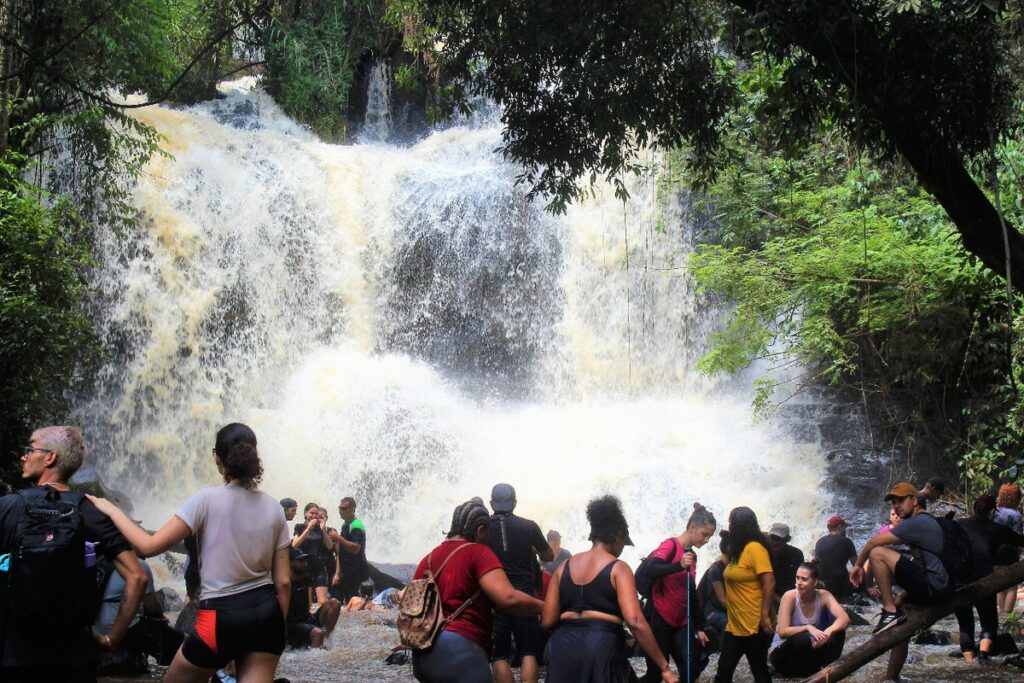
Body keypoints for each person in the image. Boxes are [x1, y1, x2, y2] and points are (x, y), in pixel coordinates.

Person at [89, 422, 292, 683]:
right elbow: (284, 582)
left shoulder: (205, 500)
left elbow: (147, 547)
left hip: (220, 615)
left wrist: (110, 508)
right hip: (267, 615)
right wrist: (278, 627)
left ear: (217, 458)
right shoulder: (274, 507)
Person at [0, 426, 147, 682]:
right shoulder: (88, 512)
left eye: (30, 448)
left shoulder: (9, 506)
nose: (24, 456)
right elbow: (137, 577)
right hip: (76, 657)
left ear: (50, 457)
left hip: (13, 654)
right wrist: (112, 638)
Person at [542, 495, 678, 683]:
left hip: (561, 650)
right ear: (618, 536)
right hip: (601, 649)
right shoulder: (618, 568)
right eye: (623, 543)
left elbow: (547, 620)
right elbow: (636, 621)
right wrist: (664, 666)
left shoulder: (562, 567)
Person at [411, 499, 544, 683]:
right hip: (460, 651)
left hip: (422, 654)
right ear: (480, 530)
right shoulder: (478, 552)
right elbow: (508, 599)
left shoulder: (429, 558)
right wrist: (546, 607)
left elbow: (411, 604)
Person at [850, 482, 948, 683]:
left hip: (933, 584)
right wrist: (904, 593)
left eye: (901, 501)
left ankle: (889, 611)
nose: (896, 506)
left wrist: (858, 566)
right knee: (901, 614)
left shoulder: (916, 522)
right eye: (894, 503)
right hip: (935, 582)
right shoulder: (923, 520)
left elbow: (872, 543)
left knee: (878, 553)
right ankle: (891, 678)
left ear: (914, 500)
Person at [486, 483, 554, 683]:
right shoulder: (529, 526)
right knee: (528, 652)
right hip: (525, 599)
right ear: (515, 503)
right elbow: (548, 556)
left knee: (499, 655)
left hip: (495, 598)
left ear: (491, 503)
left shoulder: (483, 529)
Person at [641, 503, 717, 682]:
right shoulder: (670, 545)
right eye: (705, 534)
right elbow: (650, 569)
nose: (706, 540)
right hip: (660, 618)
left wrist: (699, 627)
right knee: (656, 672)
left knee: (691, 667)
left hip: (682, 621)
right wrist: (678, 565)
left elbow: (690, 591)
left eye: (710, 536)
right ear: (692, 527)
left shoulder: (692, 555)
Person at [955, 494, 1024, 663]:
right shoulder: (996, 529)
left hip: (959, 579)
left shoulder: (959, 524)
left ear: (973, 508)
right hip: (983, 579)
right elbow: (1020, 540)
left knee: (965, 624)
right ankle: (983, 656)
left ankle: (970, 663)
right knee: (989, 622)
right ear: (992, 511)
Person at [714, 506, 775, 683]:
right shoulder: (737, 551)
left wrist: (765, 616)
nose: (729, 526)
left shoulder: (755, 548)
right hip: (735, 624)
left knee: (759, 671)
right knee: (723, 672)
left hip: (754, 623)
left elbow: (769, 582)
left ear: (739, 526)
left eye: (731, 523)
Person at [769, 562, 849, 677]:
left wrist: (828, 632)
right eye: (797, 578)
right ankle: (796, 674)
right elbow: (783, 632)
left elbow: (844, 618)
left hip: (808, 648)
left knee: (839, 631)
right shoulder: (789, 596)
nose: (799, 583)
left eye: (804, 579)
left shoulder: (823, 595)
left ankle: (828, 671)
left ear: (815, 582)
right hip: (782, 654)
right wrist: (808, 627)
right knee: (803, 638)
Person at [287, 548, 340, 649]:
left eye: (305, 560)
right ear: (290, 563)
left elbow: (309, 604)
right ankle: (315, 657)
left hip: (307, 619)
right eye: (300, 561)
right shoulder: (285, 582)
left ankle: (325, 639)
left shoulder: (306, 577)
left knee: (334, 603)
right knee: (317, 633)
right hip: (292, 624)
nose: (304, 564)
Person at [293, 502, 334, 605]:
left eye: (316, 514)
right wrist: (308, 529)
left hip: (319, 568)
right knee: (307, 604)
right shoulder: (299, 527)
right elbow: (294, 545)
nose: (314, 516)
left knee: (323, 601)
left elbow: (330, 546)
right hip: (304, 569)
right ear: (306, 513)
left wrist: (323, 530)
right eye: (312, 513)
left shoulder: (320, 528)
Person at [330, 496, 369, 602]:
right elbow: (341, 550)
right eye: (339, 508)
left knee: (356, 602)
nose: (340, 511)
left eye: (343, 509)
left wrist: (338, 538)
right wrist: (338, 573)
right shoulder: (345, 525)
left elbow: (355, 549)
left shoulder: (356, 526)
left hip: (357, 572)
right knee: (348, 601)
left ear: (352, 509)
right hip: (346, 571)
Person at [697, 530, 730, 647]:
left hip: (729, 610)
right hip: (713, 611)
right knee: (729, 624)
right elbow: (722, 601)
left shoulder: (736, 567)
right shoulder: (716, 569)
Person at [814, 515, 857, 601]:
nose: (845, 530)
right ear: (840, 527)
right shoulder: (846, 541)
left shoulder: (820, 541)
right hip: (839, 586)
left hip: (822, 585)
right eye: (844, 527)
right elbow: (857, 565)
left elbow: (818, 562)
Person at [995, 483, 1023, 614]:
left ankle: (1001, 613)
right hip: (1010, 551)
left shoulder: (996, 511)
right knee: (1012, 584)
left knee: (1000, 584)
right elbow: (1018, 536)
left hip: (996, 551)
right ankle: (1008, 614)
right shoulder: (1016, 515)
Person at [767, 522, 804, 598]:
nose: (775, 542)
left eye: (779, 539)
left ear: (788, 539)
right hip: (772, 596)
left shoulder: (797, 554)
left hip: (793, 595)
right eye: (773, 538)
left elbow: (801, 579)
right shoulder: (767, 554)